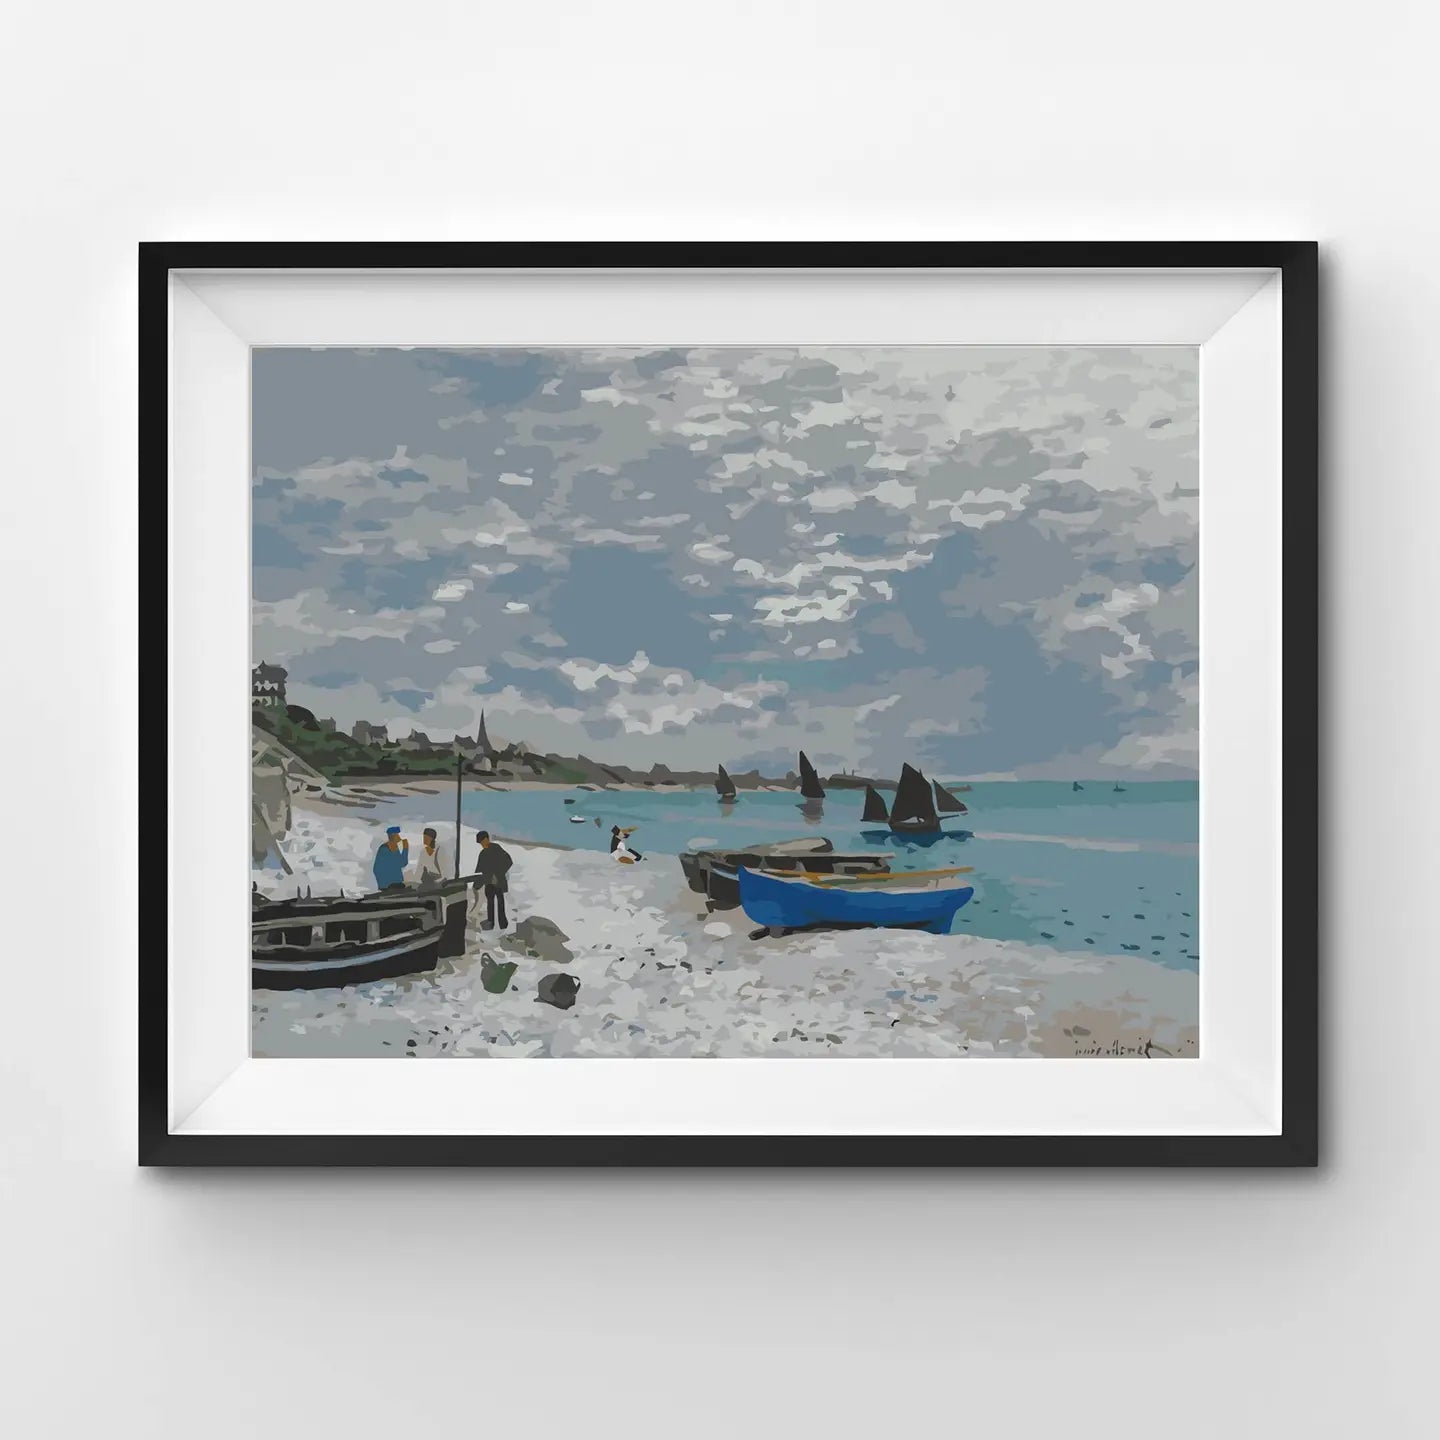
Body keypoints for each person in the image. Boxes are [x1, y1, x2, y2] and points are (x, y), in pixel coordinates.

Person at [472, 830, 513, 929]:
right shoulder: (482, 854)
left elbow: (508, 861)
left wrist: (498, 874)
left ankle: (503, 924)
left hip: (498, 882)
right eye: (480, 843)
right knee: (490, 903)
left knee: (500, 903)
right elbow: (480, 872)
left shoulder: (496, 848)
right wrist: (476, 885)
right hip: (488, 883)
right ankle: (491, 923)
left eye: (482, 841)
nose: (481, 844)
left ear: (486, 839)